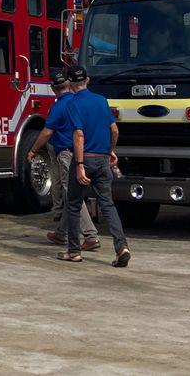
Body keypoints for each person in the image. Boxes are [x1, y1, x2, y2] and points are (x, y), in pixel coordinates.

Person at [61, 67, 130, 267]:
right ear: (88, 81)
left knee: (74, 204)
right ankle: (121, 246)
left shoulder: (73, 103)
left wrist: (80, 165)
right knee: (107, 205)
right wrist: (110, 151)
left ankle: (74, 251)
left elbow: (79, 135)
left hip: (85, 158)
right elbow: (114, 130)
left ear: (71, 85)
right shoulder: (101, 100)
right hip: (102, 159)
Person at [25, 71, 94, 248]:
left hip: (66, 154)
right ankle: (61, 234)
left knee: (72, 194)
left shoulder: (59, 106)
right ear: (68, 85)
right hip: (86, 151)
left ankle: (90, 235)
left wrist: (33, 149)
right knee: (69, 194)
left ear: (53, 88)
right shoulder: (79, 101)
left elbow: (47, 132)